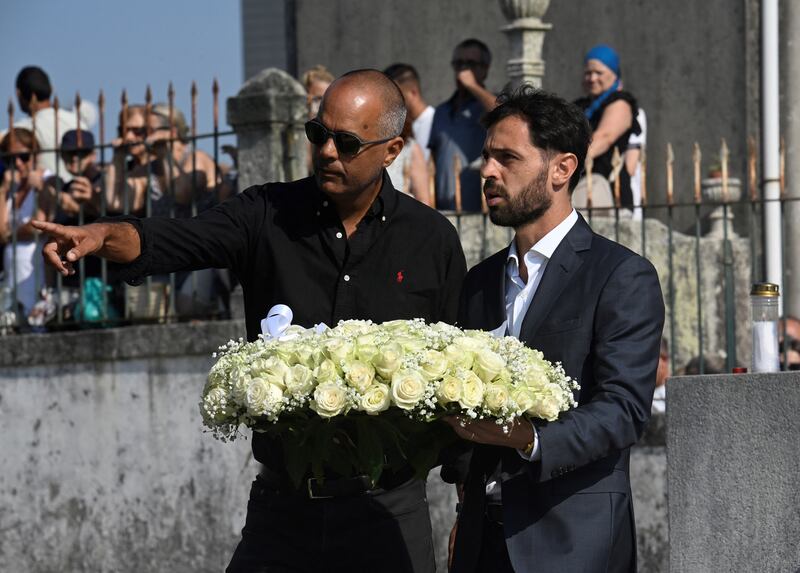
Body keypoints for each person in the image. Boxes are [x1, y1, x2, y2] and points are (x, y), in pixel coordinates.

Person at [33, 69, 467, 573]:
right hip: (283, 510)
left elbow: (455, 378)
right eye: (318, 134)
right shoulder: (266, 213)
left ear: (391, 151)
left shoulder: (431, 240)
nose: (326, 151)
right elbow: (175, 239)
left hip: (388, 510)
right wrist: (102, 235)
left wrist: (466, 509)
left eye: (346, 143)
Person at [444, 86, 664, 573]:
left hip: (573, 542)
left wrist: (529, 437)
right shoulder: (479, 282)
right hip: (482, 542)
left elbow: (624, 410)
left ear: (562, 169)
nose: (487, 172)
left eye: (507, 158)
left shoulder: (620, 275)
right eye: (486, 157)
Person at [429, 39, 496, 212]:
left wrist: (472, 85)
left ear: (485, 69)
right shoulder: (441, 111)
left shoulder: (488, 104)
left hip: (478, 208)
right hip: (444, 208)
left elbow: (505, 113)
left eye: (471, 64)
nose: (463, 69)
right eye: (459, 63)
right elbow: (434, 158)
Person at [573, 45, 640, 210]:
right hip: (580, 185)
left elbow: (604, 137)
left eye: (599, 73)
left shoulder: (620, 103)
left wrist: (568, 163)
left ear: (613, 73)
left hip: (609, 190)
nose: (592, 78)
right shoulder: (579, 106)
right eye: (588, 73)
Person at [13, 66, 97, 177]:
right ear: (52, 89)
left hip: (46, 191)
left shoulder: (21, 130)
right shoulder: (77, 121)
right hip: (78, 189)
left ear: (19, 94)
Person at [0, 128, 47, 318]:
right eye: (11, 159)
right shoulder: (12, 189)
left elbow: (40, 224)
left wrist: (10, 234)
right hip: (13, 276)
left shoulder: (47, 180)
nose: (18, 164)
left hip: (37, 273)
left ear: (36, 155)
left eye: (24, 157)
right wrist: (3, 190)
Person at [383, 63, 435, 160]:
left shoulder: (436, 122)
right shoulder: (398, 127)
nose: (390, 102)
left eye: (396, 95)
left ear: (413, 92)